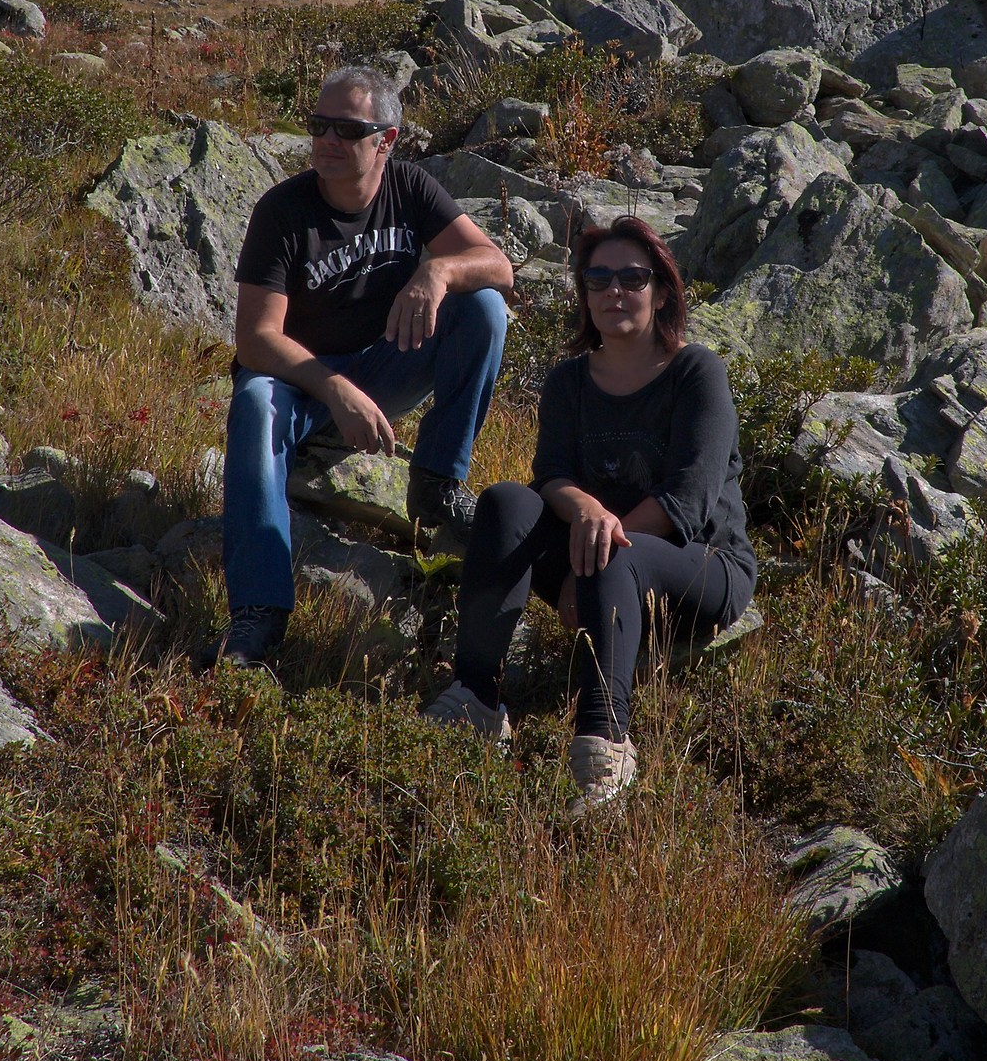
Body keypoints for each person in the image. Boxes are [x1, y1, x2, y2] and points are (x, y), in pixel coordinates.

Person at [423, 216, 755, 808]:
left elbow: (691, 500)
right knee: (505, 502)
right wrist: (586, 515)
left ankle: (606, 747)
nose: (613, 291)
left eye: (632, 277)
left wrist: (599, 546)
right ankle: (474, 696)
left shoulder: (695, 373)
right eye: (597, 278)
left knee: (613, 559)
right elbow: (550, 477)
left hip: (699, 564)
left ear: (662, 290)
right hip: (597, 562)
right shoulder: (569, 381)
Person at [212, 63, 515, 668]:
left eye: (346, 130)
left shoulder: (410, 187)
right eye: (318, 124)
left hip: (384, 366)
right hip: (302, 385)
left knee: (483, 308)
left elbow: (498, 266)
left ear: (387, 140)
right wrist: (335, 391)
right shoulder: (283, 211)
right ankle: (258, 614)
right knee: (252, 400)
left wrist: (437, 270)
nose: (326, 140)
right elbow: (254, 340)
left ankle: (436, 485)